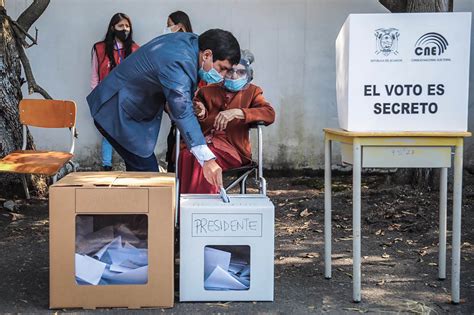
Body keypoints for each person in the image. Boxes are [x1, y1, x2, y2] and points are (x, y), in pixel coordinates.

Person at [87, 29, 240, 188]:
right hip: (115, 111)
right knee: (149, 179)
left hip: (125, 109)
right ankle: (143, 211)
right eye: (221, 68)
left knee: (140, 179)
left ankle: (135, 211)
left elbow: (176, 97)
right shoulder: (179, 61)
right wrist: (207, 159)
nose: (221, 76)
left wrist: (188, 102)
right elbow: (182, 111)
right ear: (207, 55)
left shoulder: (192, 43)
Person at [179, 50, 275, 194]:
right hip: (203, 142)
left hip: (233, 149)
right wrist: (201, 112)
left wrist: (238, 112)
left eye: (241, 72)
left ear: (249, 74)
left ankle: (206, 208)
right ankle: (186, 208)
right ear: (223, 73)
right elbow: (195, 110)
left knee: (204, 160)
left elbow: (269, 113)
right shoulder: (206, 91)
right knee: (187, 156)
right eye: (230, 72)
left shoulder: (253, 92)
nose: (234, 76)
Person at [91, 13, 139, 171]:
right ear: (113, 28)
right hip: (107, 98)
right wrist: (97, 99)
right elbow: (95, 76)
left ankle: (131, 166)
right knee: (108, 132)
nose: (124, 29)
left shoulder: (134, 49)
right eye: (120, 26)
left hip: (128, 100)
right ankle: (106, 165)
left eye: (127, 26)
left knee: (127, 133)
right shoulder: (100, 49)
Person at [161, 11, 194, 172]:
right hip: (175, 110)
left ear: (180, 27)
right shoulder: (169, 49)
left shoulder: (192, 50)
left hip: (191, 111)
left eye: (169, 25)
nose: (166, 29)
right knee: (174, 149)